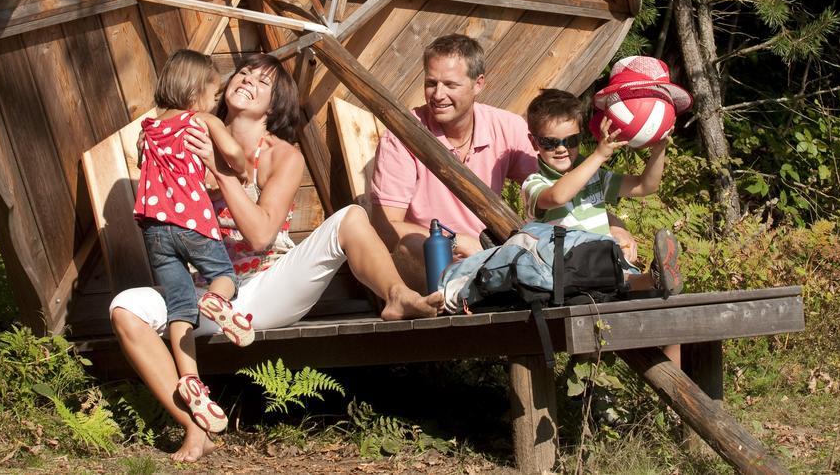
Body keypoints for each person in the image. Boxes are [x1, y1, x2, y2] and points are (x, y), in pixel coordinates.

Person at [110, 53, 443, 463]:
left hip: (265, 286)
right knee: (125, 308)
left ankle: (397, 295)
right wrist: (154, 149)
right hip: (204, 292)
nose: (247, 79)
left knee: (351, 217)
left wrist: (221, 172)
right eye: (244, 72)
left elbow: (262, 235)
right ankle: (195, 428)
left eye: (261, 81)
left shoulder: (284, 156)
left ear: (275, 105)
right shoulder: (189, 131)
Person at [133, 50, 256, 436]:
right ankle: (215, 299)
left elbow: (144, 163)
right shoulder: (199, 120)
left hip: (154, 231)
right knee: (224, 277)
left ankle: (190, 380)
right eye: (214, 92)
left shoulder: (148, 128)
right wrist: (242, 168)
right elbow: (235, 154)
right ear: (195, 92)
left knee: (178, 308)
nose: (216, 100)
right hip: (192, 224)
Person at [368, 34, 537, 289]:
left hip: (491, 251)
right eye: (431, 83)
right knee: (409, 246)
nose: (438, 94)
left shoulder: (506, 126)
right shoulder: (403, 136)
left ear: (478, 84)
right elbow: (386, 227)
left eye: (450, 84)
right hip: (431, 258)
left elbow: (550, 188)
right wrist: (453, 241)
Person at [520, 88, 681, 296]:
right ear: (534, 143)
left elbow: (645, 186)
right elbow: (558, 196)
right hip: (564, 272)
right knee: (600, 262)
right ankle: (651, 280)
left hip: (604, 268)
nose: (561, 149)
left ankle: (652, 280)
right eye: (550, 143)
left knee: (615, 261)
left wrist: (659, 150)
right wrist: (598, 155)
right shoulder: (534, 183)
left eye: (570, 141)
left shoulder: (595, 177)